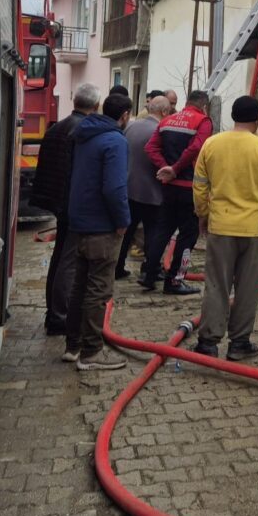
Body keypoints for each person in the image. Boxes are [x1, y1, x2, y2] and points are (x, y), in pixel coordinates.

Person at [191, 96, 258, 360]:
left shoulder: (212, 144)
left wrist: (203, 214)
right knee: (248, 288)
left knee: (216, 284)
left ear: (233, 116)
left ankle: (208, 342)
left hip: (221, 226)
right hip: (254, 229)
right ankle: (239, 344)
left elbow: (199, 186)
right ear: (257, 121)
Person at [64, 93, 133, 370]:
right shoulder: (115, 141)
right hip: (102, 224)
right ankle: (91, 353)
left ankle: (73, 346)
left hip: (80, 219)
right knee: (98, 289)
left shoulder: (85, 135)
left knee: (80, 286)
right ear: (125, 115)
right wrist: (123, 219)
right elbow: (114, 187)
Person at [29, 82, 100, 336]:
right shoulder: (83, 130)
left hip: (57, 200)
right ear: (96, 105)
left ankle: (53, 312)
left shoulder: (57, 127)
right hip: (72, 203)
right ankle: (59, 316)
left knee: (60, 257)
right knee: (69, 260)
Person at [141, 90, 213, 295]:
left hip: (169, 187)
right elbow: (196, 148)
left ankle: (148, 274)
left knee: (162, 230)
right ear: (204, 106)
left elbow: (150, 148)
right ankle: (175, 280)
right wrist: (175, 168)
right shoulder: (203, 121)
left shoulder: (168, 120)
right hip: (189, 187)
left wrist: (165, 168)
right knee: (188, 235)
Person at [116, 95, 170, 279]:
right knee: (153, 232)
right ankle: (150, 269)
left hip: (129, 188)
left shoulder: (131, 126)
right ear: (164, 111)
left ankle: (118, 267)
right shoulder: (160, 131)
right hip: (152, 191)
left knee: (127, 231)